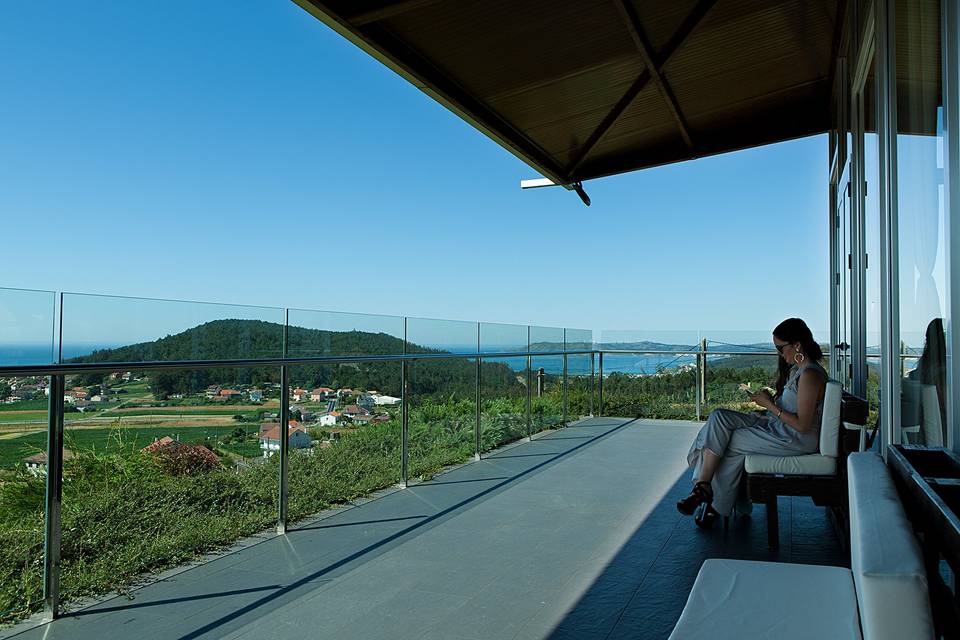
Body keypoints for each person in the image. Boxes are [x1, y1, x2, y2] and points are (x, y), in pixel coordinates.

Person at [677, 318, 828, 528]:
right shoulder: (799, 371)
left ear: (797, 345)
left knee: (728, 440)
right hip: (778, 427)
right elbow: (795, 409)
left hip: (794, 438)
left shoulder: (811, 375)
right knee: (718, 417)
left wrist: (770, 405)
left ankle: (712, 499)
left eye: (780, 348)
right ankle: (705, 487)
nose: (779, 354)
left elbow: (803, 425)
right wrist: (771, 404)